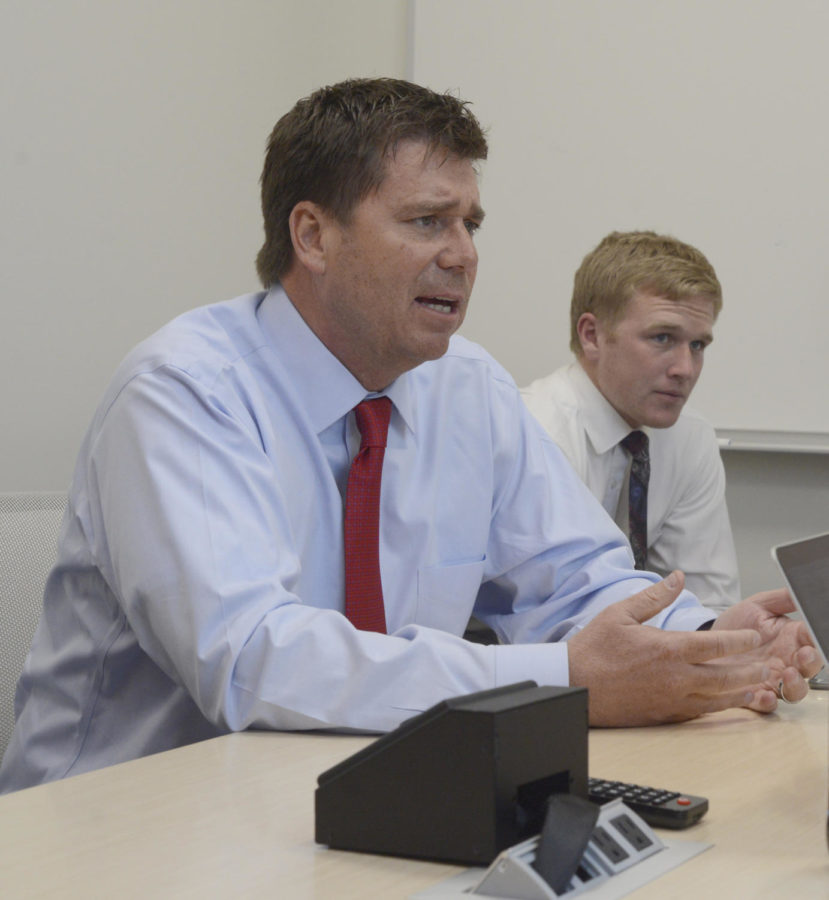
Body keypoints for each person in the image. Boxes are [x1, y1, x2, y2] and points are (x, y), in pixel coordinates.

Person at [0, 78, 818, 794]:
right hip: (120, 825)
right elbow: (251, 662)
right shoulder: (184, 392)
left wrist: (707, 643)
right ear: (312, 235)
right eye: (427, 221)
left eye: (470, 224)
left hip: (357, 796)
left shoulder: (466, 385)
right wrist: (567, 677)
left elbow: (572, 583)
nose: (462, 256)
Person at [522, 231, 738, 611]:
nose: (685, 369)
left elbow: (706, 603)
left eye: (697, 345)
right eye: (662, 338)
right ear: (592, 336)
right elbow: (552, 614)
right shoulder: (534, 432)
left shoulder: (690, 438)